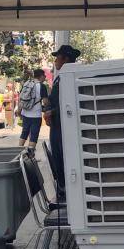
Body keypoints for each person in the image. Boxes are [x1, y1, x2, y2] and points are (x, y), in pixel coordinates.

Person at [44, 44, 81, 202]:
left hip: (64, 127)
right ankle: (62, 189)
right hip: (57, 126)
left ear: (65, 59)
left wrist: (52, 111)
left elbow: (70, 102)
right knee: (58, 158)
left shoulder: (70, 76)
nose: (55, 61)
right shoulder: (61, 76)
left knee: (63, 159)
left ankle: (67, 193)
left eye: (57, 57)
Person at [18, 69, 49, 151]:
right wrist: (47, 109)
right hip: (36, 115)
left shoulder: (27, 84)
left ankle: (18, 151)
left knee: (24, 133)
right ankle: (30, 156)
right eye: (44, 76)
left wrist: (19, 111)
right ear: (41, 76)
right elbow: (45, 102)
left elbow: (21, 98)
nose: (45, 77)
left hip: (25, 113)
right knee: (34, 135)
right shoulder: (42, 86)